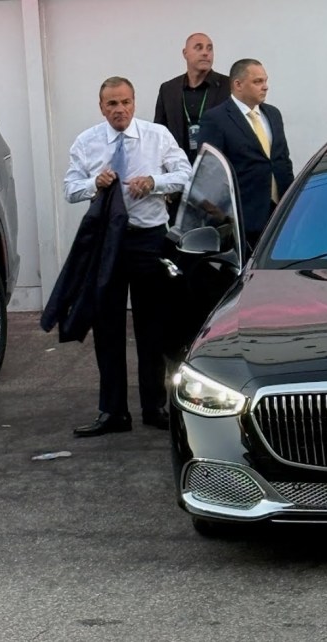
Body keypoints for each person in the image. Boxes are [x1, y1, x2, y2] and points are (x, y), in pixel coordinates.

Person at [64, 76, 192, 437]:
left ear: (134, 103)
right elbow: (70, 188)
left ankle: (154, 406)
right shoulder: (87, 141)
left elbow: (185, 174)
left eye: (125, 102)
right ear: (101, 107)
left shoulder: (157, 136)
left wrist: (153, 182)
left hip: (148, 239)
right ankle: (113, 412)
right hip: (107, 242)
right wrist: (94, 184)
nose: (119, 110)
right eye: (112, 104)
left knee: (152, 326)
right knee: (107, 326)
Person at [197, 58, 294, 251]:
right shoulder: (216, 119)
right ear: (238, 84)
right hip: (243, 218)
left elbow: (282, 160)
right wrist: (224, 216)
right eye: (258, 81)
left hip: (281, 213)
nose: (265, 87)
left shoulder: (273, 114)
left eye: (265, 81)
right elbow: (210, 172)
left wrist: (292, 201)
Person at [153, 32, 230, 164]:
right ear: (185, 53)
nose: (205, 53)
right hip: (178, 166)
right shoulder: (168, 89)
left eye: (209, 48)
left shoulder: (228, 86)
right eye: (199, 47)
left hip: (217, 166)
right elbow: (159, 133)